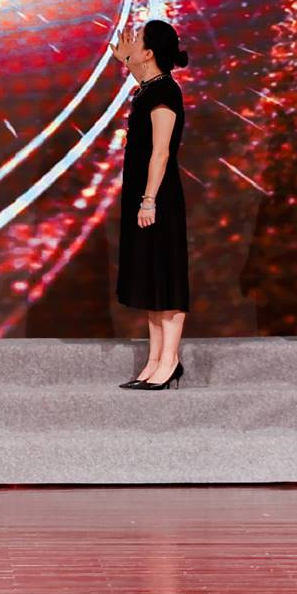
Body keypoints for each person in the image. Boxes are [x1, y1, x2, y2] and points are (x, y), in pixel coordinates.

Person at [111, 19, 192, 390]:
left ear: (148, 53)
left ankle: (170, 360)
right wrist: (127, 63)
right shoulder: (150, 88)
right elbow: (145, 84)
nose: (131, 44)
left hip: (158, 198)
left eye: (138, 41)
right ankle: (156, 359)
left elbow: (161, 152)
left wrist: (148, 200)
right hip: (143, 195)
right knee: (151, 280)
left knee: (166, 279)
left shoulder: (165, 92)